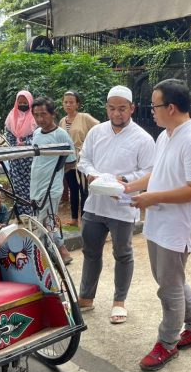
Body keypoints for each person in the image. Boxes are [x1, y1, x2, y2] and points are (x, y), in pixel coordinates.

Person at [123, 79, 191, 372]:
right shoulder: (166, 135)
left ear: (171, 108)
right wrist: (125, 187)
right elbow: (157, 173)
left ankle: (168, 342)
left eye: (155, 105)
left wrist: (152, 198)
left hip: (176, 226)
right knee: (171, 279)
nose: (152, 111)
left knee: (169, 287)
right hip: (159, 221)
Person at [77, 85, 155, 324]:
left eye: (122, 109)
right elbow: (84, 160)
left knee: (122, 253)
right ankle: (86, 297)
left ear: (132, 108)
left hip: (122, 204)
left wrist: (126, 181)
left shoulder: (143, 138)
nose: (117, 113)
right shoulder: (97, 132)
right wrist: (91, 175)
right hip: (95, 203)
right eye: (112, 108)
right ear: (106, 108)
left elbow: (150, 170)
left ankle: (119, 301)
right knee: (90, 251)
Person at [30, 96, 77, 265]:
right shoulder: (36, 133)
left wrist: (55, 174)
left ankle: (56, 252)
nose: (40, 119)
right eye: (36, 115)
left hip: (52, 187)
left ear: (53, 114)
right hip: (35, 185)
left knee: (48, 219)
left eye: (43, 114)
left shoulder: (61, 135)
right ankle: (53, 253)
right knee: (42, 219)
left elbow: (71, 161)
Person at [59, 90, 99, 226]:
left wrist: (89, 145)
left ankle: (84, 218)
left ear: (77, 104)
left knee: (84, 189)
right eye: (66, 102)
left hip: (82, 159)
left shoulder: (84, 117)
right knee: (73, 189)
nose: (68, 105)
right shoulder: (62, 121)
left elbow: (99, 128)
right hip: (68, 160)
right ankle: (74, 218)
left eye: (71, 102)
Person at [4, 90, 37, 216]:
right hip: (16, 158)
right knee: (17, 188)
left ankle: (32, 215)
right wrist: (16, 145)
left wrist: (26, 143)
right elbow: (9, 134)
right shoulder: (11, 116)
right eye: (20, 102)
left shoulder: (35, 116)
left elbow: (37, 136)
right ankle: (22, 215)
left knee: (31, 187)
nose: (23, 104)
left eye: (25, 102)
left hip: (30, 158)